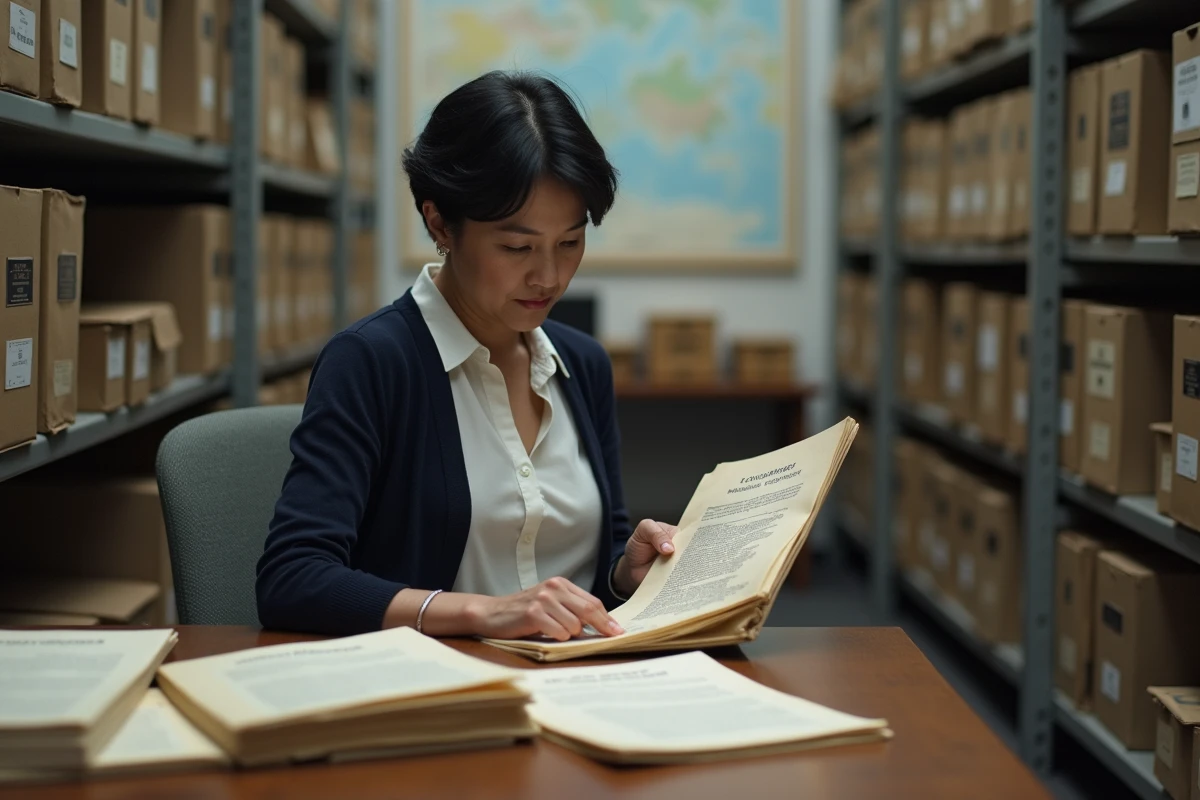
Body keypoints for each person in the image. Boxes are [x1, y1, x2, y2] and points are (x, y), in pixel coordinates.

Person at [256, 71, 679, 642]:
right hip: (439, 691)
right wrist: (482, 612)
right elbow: (292, 579)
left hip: (579, 682)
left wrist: (625, 573)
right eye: (516, 247)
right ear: (440, 224)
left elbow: (596, 572)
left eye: (571, 242)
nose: (549, 276)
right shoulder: (372, 361)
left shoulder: (584, 365)